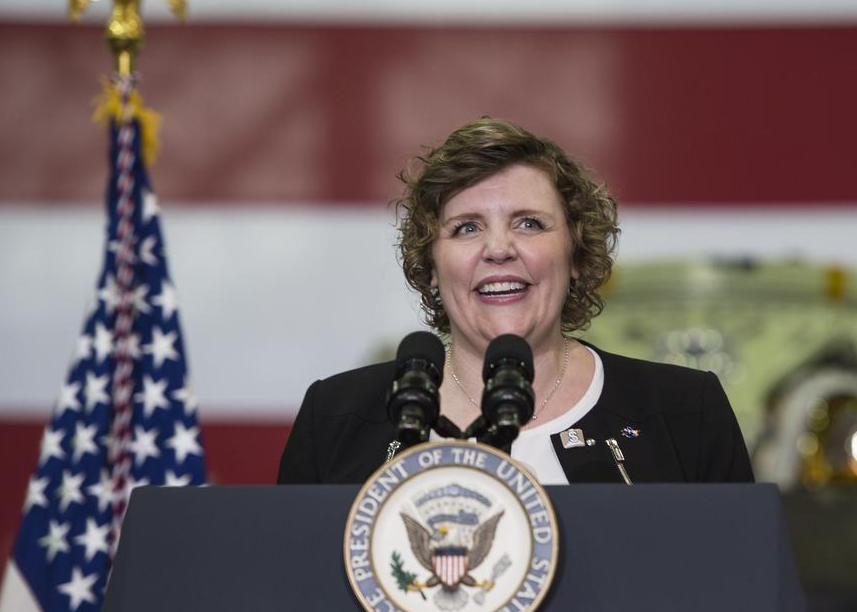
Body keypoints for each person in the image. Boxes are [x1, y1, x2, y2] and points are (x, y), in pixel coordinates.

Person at [277, 117, 753, 485]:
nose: (499, 248)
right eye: (467, 227)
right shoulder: (337, 416)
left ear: (575, 256)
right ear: (432, 266)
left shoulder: (685, 411)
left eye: (529, 223)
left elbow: (742, 593)